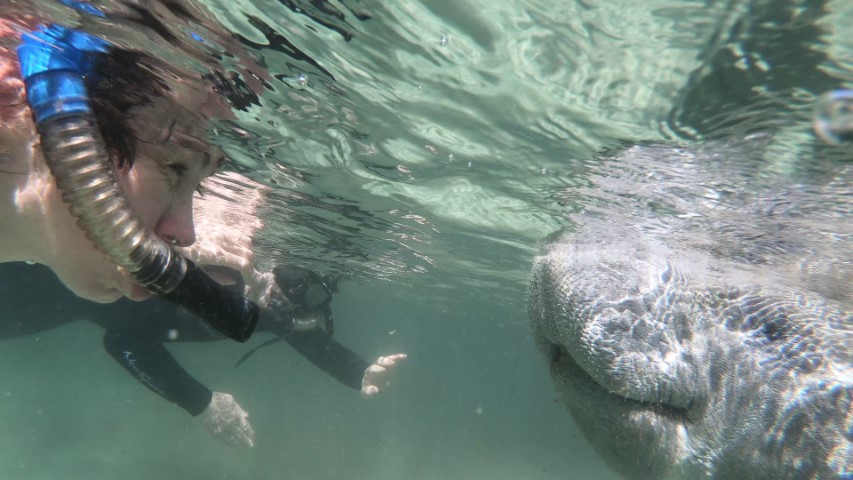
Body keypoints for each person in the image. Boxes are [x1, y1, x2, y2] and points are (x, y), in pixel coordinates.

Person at [0, 2, 405, 447]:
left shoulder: (238, 296)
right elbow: (127, 342)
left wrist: (356, 371)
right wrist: (201, 402)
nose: (188, 235)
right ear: (13, 93)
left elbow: (286, 327)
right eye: (173, 169)